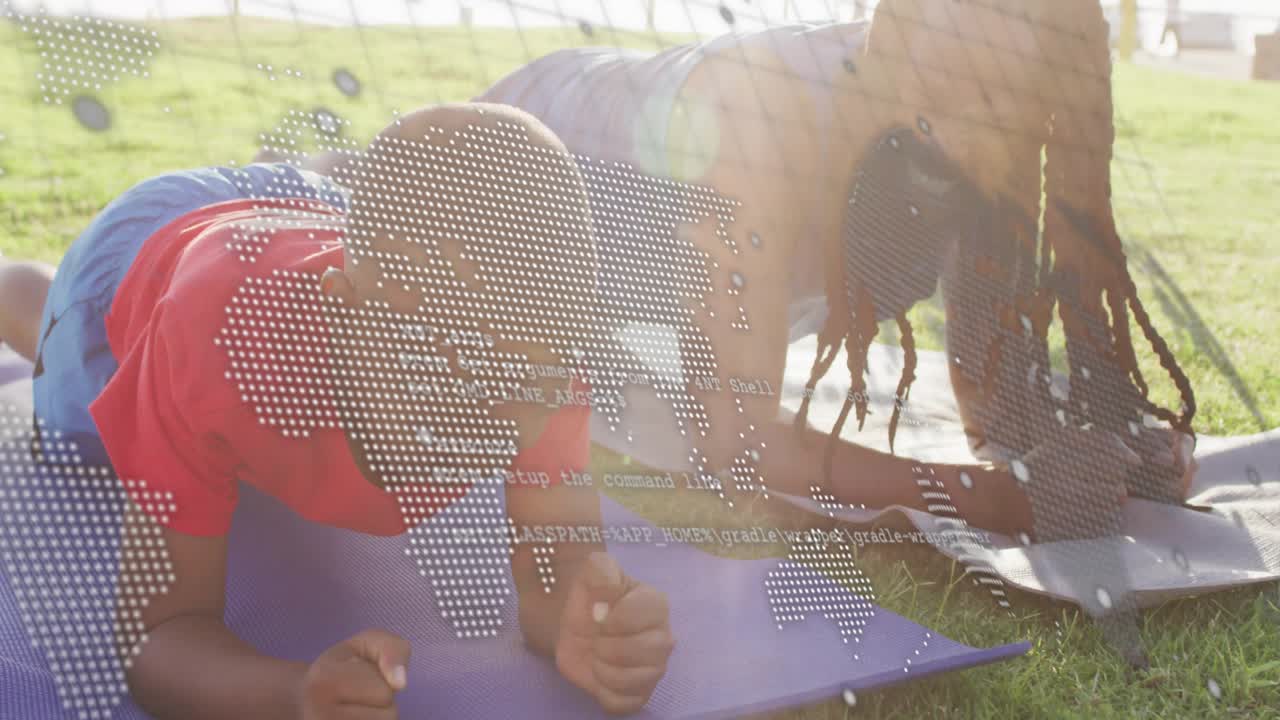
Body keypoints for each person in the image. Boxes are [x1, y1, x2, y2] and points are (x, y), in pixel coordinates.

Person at [0, 103, 674, 718]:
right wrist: (290, 694)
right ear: (341, 314)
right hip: (150, 250)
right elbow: (155, 633)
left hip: (314, 212)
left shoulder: (537, 357)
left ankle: (291, 170)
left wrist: (585, 626)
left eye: (528, 383)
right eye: (448, 376)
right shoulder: (212, 346)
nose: (489, 428)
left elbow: (556, 566)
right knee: (64, 384)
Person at [475, 0, 1198, 539]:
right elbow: (735, 442)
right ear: (901, 29)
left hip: (613, 320)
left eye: (1001, 105)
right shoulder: (757, 110)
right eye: (946, 83)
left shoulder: (985, 163)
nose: (958, 133)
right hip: (484, 209)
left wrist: (1102, 453)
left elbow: (994, 402)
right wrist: (998, 498)